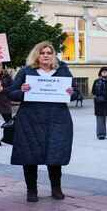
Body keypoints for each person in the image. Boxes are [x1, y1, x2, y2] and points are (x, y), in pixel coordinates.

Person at [9, 42, 75, 202]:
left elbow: (74, 93)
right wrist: (22, 91)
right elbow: (12, 93)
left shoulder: (63, 70)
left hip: (57, 120)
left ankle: (56, 188)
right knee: (29, 155)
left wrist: (71, 92)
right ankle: (31, 190)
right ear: (36, 55)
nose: (45, 55)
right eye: (42, 52)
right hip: (30, 120)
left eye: (49, 52)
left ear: (53, 55)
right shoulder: (26, 71)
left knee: (55, 154)